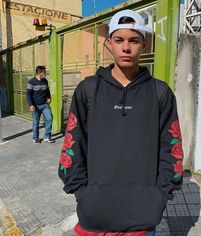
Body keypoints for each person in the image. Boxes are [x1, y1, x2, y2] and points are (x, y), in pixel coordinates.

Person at [59, 9, 183, 236]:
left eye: (134, 40)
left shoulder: (160, 93)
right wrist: (82, 193)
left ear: (144, 45)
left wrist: (159, 196)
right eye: (119, 40)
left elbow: (172, 151)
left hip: (143, 219)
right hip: (94, 214)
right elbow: (72, 146)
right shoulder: (88, 90)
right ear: (109, 43)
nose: (126, 48)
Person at [26, 65, 54, 143]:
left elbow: (47, 90)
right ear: (39, 73)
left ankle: (47, 137)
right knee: (36, 122)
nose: (45, 74)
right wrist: (31, 105)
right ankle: (35, 137)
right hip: (35, 106)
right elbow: (28, 94)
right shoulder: (31, 82)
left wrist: (49, 97)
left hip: (45, 105)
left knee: (50, 118)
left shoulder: (45, 80)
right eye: (44, 72)